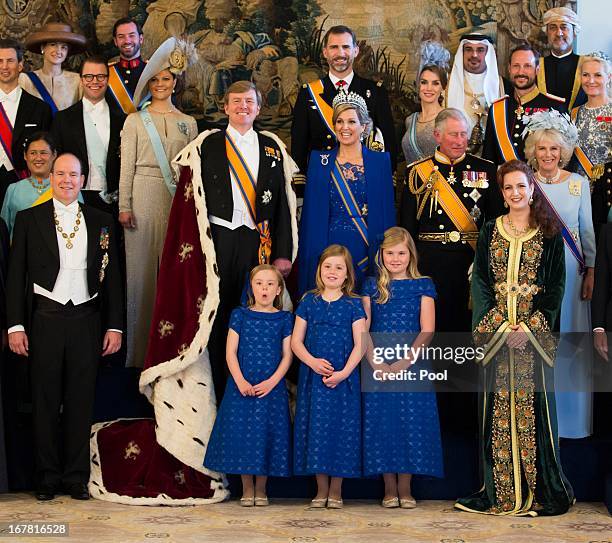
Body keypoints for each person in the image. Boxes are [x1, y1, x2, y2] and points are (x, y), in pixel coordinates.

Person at [153, 79, 298, 403]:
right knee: (217, 314)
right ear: (225, 107)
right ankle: (216, 393)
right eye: (236, 101)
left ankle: (249, 391)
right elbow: (189, 202)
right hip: (216, 240)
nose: (243, 107)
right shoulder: (207, 144)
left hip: (256, 242)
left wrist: (283, 254)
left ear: (258, 108)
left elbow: (283, 207)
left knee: (252, 313)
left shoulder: (272, 147)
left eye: (249, 102)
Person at [455, 159, 574, 516]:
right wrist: (499, 328)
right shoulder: (490, 229)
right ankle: (500, 492)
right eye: (508, 188)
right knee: (495, 413)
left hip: (532, 338)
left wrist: (529, 327)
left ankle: (542, 492)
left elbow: (555, 288)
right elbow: (481, 283)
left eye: (521, 186)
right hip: (497, 336)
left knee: (534, 412)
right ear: (501, 192)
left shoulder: (550, 232)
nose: (515, 193)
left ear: (532, 188)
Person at [6, 152, 123, 501]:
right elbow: (15, 278)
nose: (67, 180)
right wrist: (15, 325)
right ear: (51, 177)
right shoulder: (29, 219)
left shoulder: (103, 220)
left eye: (73, 175)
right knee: (44, 401)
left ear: (83, 179)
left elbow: (113, 277)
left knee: (80, 401)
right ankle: (46, 477)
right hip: (45, 318)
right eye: (60, 174)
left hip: (87, 319)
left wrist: (114, 326)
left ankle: (75, 477)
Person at [118, 38, 198, 368]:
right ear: (148, 84)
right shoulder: (135, 121)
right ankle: (138, 354)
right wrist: (124, 204)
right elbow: (126, 166)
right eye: (155, 80)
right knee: (140, 276)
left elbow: (192, 169)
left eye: (166, 79)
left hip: (176, 197)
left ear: (175, 82)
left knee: (172, 273)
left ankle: (169, 350)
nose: (161, 84)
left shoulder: (189, 122)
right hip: (142, 193)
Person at [524, 110, 596, 439]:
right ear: (532, 151)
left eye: (555, 148)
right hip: (538, 274)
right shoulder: (525, 184)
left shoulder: (579, 184)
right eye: (542, 148)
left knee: (572, 343)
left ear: (564, 151)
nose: (549, 154)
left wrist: (592, 270)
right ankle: (541, 422)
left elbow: (587, 232)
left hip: (574, 272)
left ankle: (573, 423)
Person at [361, 226, 443, 508]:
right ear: (381, 255)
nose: (395, 259)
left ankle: (405, 486)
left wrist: (405, 362)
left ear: (411, 255)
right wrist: (374, 361)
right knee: (383, 422)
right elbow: (364, 328)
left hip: (413, 361)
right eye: (390, 253)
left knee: (410, 423)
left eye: (401, 253)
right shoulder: (371, 286)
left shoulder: (423, 284)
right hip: (378, 362)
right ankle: (388, 486)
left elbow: (427, 329)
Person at [400, 108, 501, 333]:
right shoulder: (417, 172)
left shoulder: (486, 169)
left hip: (470, 261)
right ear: (437, 135)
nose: (460, 141)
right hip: (430, 262)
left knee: (467, 327)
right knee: (433, 327)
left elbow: (495, 222)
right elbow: (407, 227)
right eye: (453, 135)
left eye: (463, 134)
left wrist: (487, 260)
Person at [204, 264, 293, 506]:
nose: (264, 288)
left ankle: (262, 489)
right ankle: (247, 488)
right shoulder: (240, 315)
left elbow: (288, 355)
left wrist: (273, 382)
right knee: (244, 435)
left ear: (278, 290)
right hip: (241, 385)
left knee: (265, 434)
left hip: (270, 387)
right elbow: (230, 352)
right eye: (259, 283)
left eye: (270, 284)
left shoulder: (285, 318)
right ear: (251, 288)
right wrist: (240, 380)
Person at [298, 91, 395, 295]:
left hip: (367, 243)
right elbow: (311, 216)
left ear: (364, 126)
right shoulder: (319, 161)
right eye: (339, 121)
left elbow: (386, 215)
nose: (345, 127)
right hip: (328, 244)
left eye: (352, 121)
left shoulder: (380, 162)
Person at [292, 244, 366, 509]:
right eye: (328, 266)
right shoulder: (308, 301)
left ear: (347, 275)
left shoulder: (354, 304)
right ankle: (320, 489)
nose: (332, 272)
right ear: (319, 270)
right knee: (316, 431)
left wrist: (344, 372)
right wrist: (311, 361)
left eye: (339, 268)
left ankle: (336, 490)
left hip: (343, 380)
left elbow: (361, 344)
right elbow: (296, 342)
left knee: (341, 432)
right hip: (315, 380)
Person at [291, 24, 397, 190]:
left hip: (365, 183)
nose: (340, 53)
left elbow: (389, 141)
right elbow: (299, 145)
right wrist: (302, 188)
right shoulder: (308, 94)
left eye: (346, 47)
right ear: (325, 52)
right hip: (322, 182)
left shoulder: (375, 92)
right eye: (334, 47)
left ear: (355, 51)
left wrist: (386, 178)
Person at [51, 56, 125, 215]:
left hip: (112, 201)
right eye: (89, 76)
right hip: (74, 197)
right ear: (81, 80)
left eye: (101, 76)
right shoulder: (62, 119)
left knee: (104, 240)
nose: (95, 81)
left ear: (107, 79)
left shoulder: (122, 119)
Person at [483, 43, 566, 167]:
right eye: (516, 66)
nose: (521, 72)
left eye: (527, 66)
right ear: (509, 69)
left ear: (537, 69)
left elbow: (563, 156)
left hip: (541, 184)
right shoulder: (497, 109)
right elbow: (489, 158)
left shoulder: (554, 107)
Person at [0, 38, 53, 205]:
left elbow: (47, 151)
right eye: (0, 61)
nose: (4, 66)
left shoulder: (40, 109)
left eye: (10, 61)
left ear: (20, 65)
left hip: (24, 185)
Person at [571, 52, 611, 234]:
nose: (591, 80)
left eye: (597, 75)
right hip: (579, 195)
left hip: (607, 195)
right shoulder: (574, 113)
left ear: (608, 77)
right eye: (586, 75)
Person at [446, 34, 505, 153]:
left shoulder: (503, 86)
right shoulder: (446, 85)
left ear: (488, 53)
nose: (474, 55)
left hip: (491, 155)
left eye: (480, 50)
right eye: (468, 49)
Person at [19, 22, 86, 114]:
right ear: (43, 47)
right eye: (53, 44)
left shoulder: (77, 80)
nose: (58, 51)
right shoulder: (26, 80)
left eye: (64, 47)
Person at [1, 131, 58, 236]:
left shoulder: (66, 187)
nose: (38, 158)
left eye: (43, 153)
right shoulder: (13, 190)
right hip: (20, 251)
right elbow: (3, 231)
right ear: (25, 156)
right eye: (33, 153)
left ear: (54, 155)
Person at [402, 42, 449, 164]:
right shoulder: (410, 120)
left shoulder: (448, 118)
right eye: (424, 82)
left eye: (435, 83)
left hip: (440, 182)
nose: (428, 88)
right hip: (413, 182)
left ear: (443, 88)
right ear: (418, 85)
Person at [537, 7, 586, 111]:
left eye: (564, 27)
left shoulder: (586, 65)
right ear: (547, 33)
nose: (559, 33)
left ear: (574, 32)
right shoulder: (537, 66)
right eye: (553, 28)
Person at [106, 18, 147, 115]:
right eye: (121, 37)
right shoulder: (106, 73)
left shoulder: (153, 71)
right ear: (115, 41)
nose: (127, 41)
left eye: (131, 35)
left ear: (141, 39)